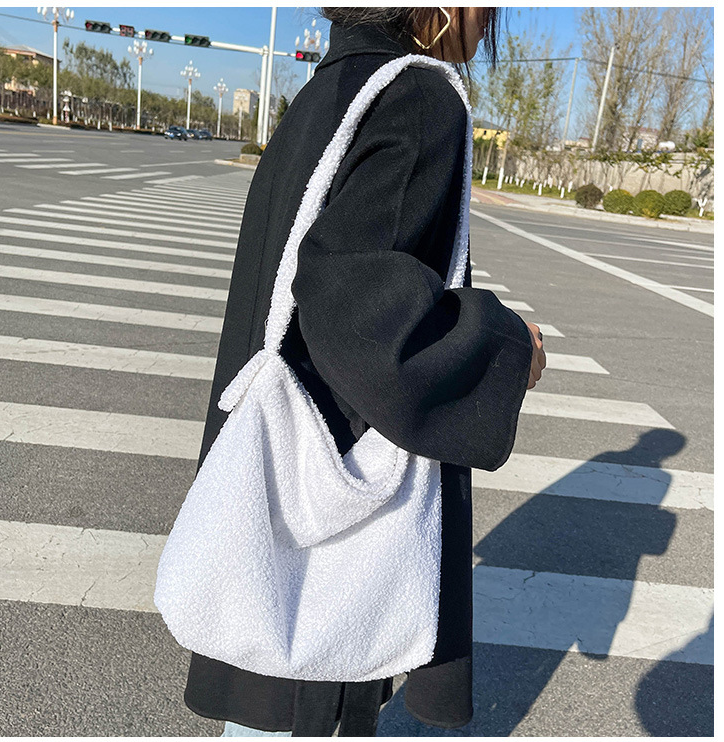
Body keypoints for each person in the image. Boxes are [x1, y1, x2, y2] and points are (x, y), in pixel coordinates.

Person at [182, 6, 547, 738]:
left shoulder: (330, 89)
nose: (491, 21)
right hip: (331, 527)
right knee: (306, 706)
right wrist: (508, 347)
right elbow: (363, 314)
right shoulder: (417, 97)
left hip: (269, 507)